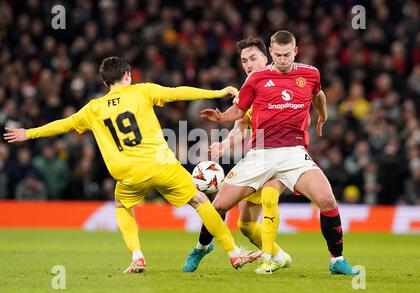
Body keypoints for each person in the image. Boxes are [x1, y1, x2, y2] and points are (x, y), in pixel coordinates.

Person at [4, 56, 261, 274]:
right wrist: (216, 93)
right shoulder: (142, 90)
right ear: (128, 75)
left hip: (127, 174)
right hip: (160, 165)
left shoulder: (93, 108)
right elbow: (177, 93)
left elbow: (63, 124)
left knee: (121, 206)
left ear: (106, 83)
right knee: (200, 201)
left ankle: (137, 256)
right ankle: (234, 252)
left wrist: (29, 133)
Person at [201, 31, 359, 275]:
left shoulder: (310, 73)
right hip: (261, 154)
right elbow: (239, 112)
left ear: (295, 51)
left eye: (287, 54)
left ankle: (336, 260)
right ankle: (203, 247)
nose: (283, 59)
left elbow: (318, 95)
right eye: (278, 55)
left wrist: (323, 116)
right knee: (219, 206)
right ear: (271, 53)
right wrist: (221, 117)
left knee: (327, 199)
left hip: (294, 154)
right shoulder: (256, 79)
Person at [182, 38, 291, 274]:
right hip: (258, 159)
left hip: (284, 157)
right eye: (244, 61)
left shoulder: (288, 81)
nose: (249, 65)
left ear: (267, 57)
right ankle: (279, 255)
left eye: (253, 58)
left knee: (270, 198)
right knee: (244, 222)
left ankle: (268, 260)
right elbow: (241, 126)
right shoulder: (248, 90)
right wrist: (224, 145)